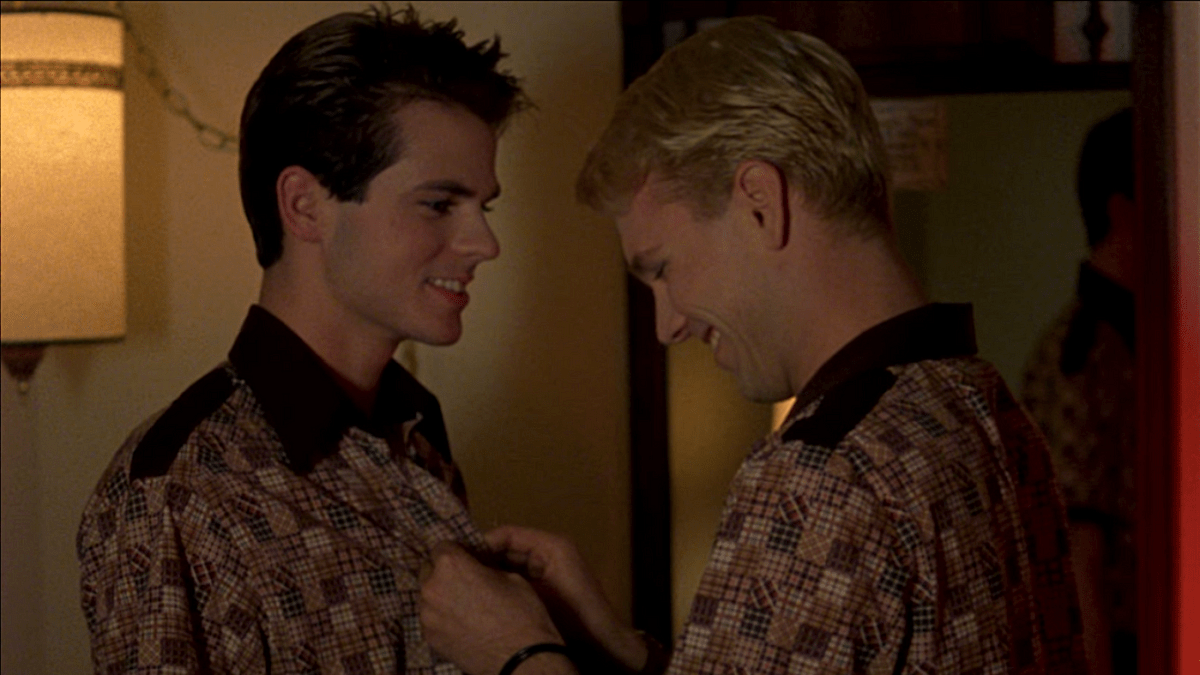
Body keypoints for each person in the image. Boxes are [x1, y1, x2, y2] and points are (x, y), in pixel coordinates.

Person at [419, 17, 1088, 675]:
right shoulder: (986, 406)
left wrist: (519, 656)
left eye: (663, 268)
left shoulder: (820, 476)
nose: (668, 324)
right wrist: (618, 649)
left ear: (761, 203)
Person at [76, 6, 526, 672]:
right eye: (439, 204)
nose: (483, 243)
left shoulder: (418, 440)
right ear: (305, 205)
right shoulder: (176, 488)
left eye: (481, 208)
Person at [1022, 108, 1136, 675]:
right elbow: (1075, 552)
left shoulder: (1128, 340)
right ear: (1123, 210)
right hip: (1120, 647)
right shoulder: (1081, 355)